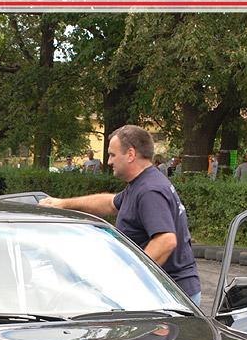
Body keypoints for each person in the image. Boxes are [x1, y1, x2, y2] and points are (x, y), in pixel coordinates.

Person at [38, 125, 202, 305]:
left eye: (112, 155)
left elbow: (165, 241)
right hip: (164, 295)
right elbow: (110, 203)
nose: (109, 161)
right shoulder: (141, 183)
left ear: (130, 154)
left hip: (167, 298)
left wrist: (127, 280)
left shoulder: (150, 191)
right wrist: (62, 203)